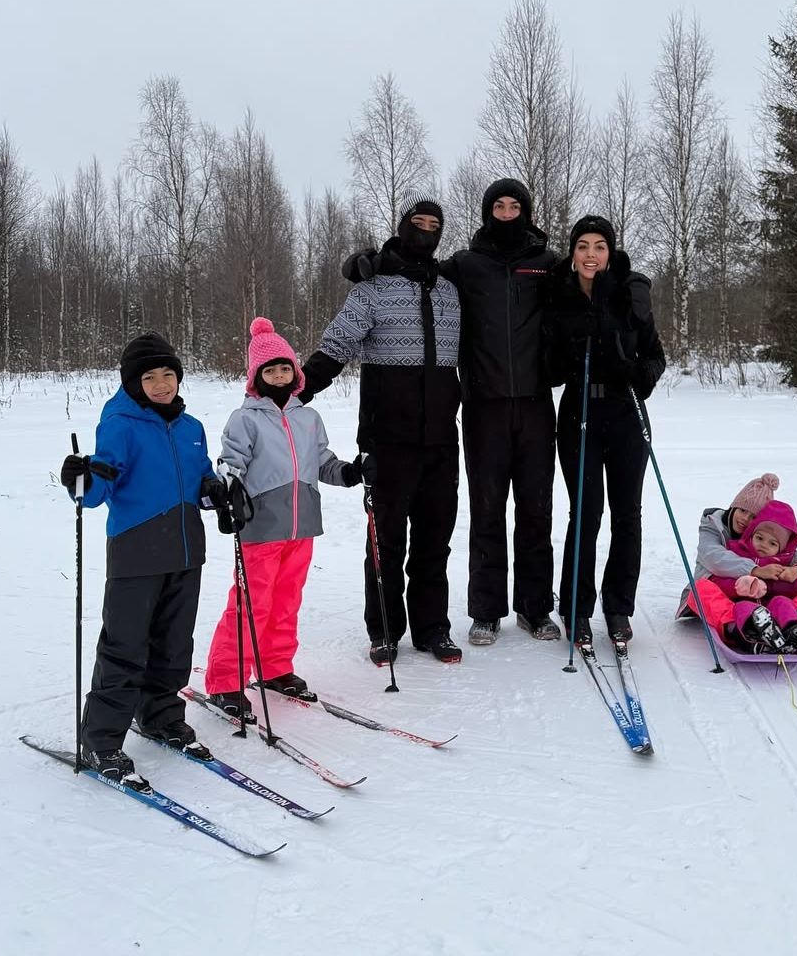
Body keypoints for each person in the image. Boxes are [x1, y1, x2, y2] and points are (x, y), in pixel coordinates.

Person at [300, 194, 463, 665]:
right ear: (403, 225)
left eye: (435, 224)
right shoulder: (372, 287)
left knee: (435, 539)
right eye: (419, 222)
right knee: (386, 541)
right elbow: (337, 344)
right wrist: (296, 392)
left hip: (440, 438)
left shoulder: (450, 289)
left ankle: (433, 628)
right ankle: (385, 630)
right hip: (387, 438)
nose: (427, 230)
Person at [59, 332, 221, 790]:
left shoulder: (191, 429)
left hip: (187, 550)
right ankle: (101, 739)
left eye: (168, 374)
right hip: (136, 551)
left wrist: (215, 492)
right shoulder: (120, 424)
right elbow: (97, 491)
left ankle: (161, 717)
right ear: (133, 383)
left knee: (174, 643)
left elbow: (202, 477)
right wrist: (81, 479)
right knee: (125, 646)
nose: (161, 384)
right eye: (150, 377)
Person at [203, 317, 361, 718]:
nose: (278, 374)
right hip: (261, 525)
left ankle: (275, 668)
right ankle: (226, 680)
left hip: (302, 524)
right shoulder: (246, 419)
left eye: (284, 367)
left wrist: (348, 472)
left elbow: (321, 461)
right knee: (249, 604)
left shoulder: (308, 418)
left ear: (296, 371)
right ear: (257, 376)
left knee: (287, 601)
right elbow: (231, 462)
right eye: (269, 369)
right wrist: (228, 487)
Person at [445, 179, 561, 646]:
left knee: (537, 510)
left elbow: (595, 279)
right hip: (484, 406)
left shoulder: (547, 264)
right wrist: (374, 264)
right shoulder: (467, 265)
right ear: (488, 210)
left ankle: (535, 609)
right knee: (488, 509)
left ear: (527, 210)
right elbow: (419, 275)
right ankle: (487, 611)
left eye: (516, 205)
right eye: (500, 204)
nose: (508, 211)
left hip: (536, 405)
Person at [546, 215, 666, 646]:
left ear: (609, 252)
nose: (591, 254)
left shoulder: (628, 293)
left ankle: (618, 608)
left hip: (625, 411)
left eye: (599, 246)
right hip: (579, 410)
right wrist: (566, 356)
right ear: (573, 253)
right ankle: (576, 609)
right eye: (583, 246)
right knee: (586, 514)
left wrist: (634, 372)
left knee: (626, 515)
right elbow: (548, 366)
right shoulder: (559, 295)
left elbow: (655, 356)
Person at [679, 473, 797, 651]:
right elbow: (713, 557)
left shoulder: (761, 535)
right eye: (743, 511)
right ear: (734, 506)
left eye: (753, 517)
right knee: (700, 589)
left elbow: (792, 553)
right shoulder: (713, 526)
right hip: (723, 593)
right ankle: (736, 627)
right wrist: (756, 570)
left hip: (766, 599)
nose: (745, 520)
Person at [708, 502, 797, 651]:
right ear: (751, 534)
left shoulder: (784, 562)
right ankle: (754, 639)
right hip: (742, 605)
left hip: (772, 606)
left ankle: (794, 631)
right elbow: (717, 579)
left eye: (772, 543)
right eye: (759, 538)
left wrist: (781, 581)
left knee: (782, 602)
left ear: (781, 548)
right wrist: (739, 586)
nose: (764, 545)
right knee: (743, 607)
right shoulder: (737, 552)